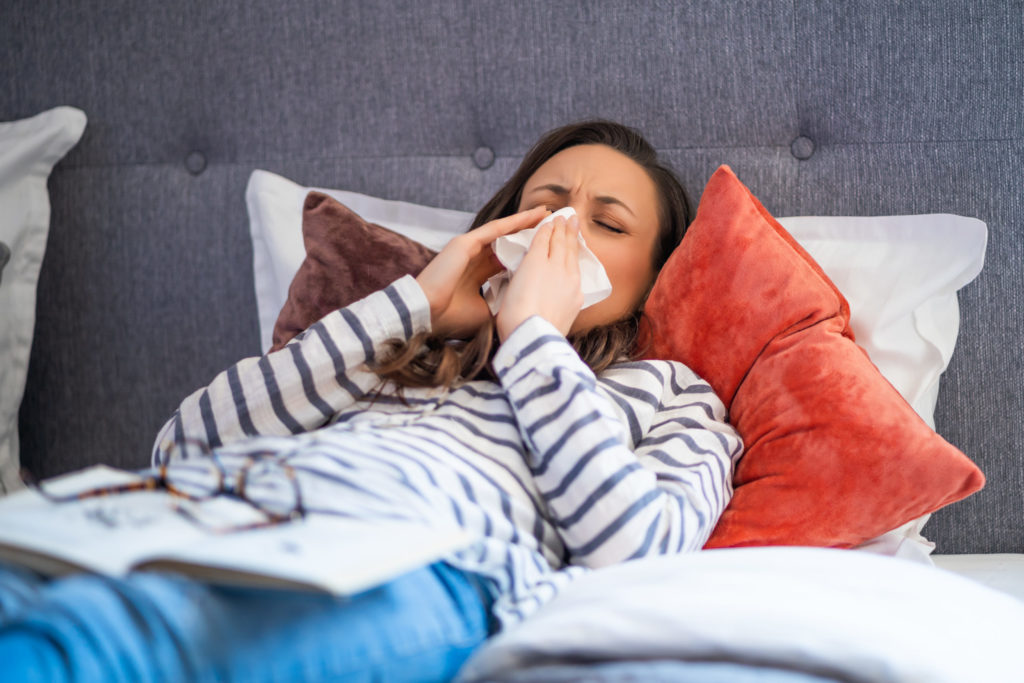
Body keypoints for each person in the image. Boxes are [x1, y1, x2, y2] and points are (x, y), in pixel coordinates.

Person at [0, 120, 742, 682]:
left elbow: (638, 551)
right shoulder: (401, 345)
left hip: (403, 559)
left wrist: (535, 340)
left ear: (650, 281)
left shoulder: (675, 398)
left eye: (606, 224)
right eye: (543, 206)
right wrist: (415, 305)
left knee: (89, 642)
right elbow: (183, 447)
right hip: (204, 509)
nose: (561, 227)